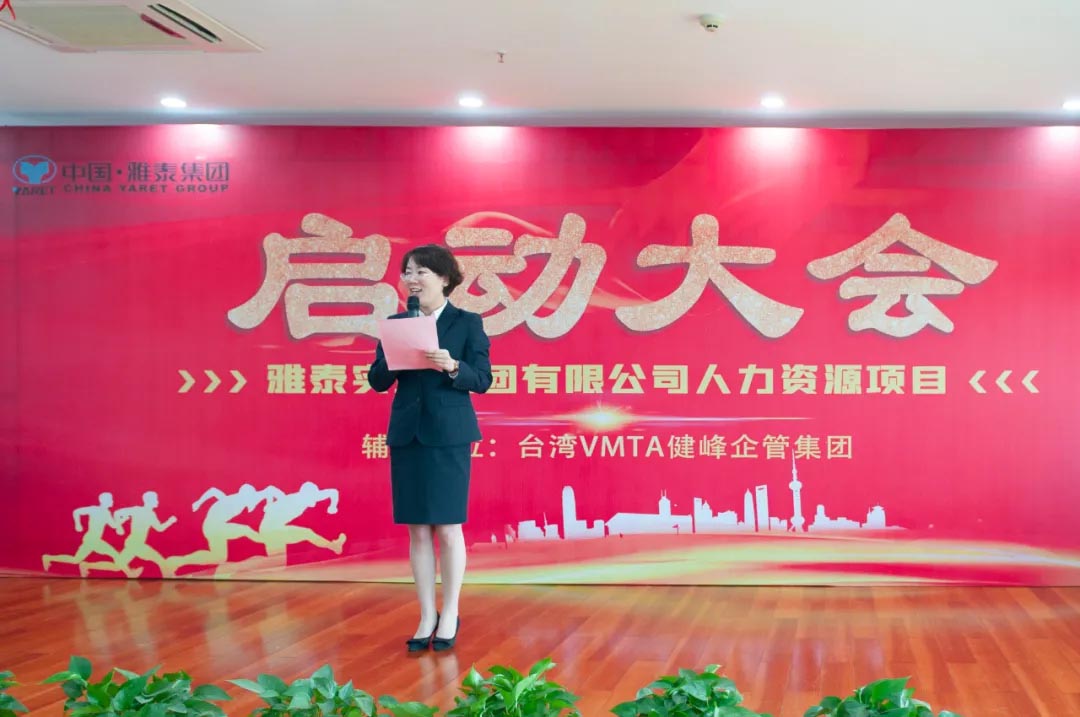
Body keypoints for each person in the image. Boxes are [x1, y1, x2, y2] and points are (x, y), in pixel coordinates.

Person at [368, 244, 492, 653]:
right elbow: (377, 381)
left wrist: (452, 365)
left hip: (449, 434)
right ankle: (426, 614)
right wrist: (395, 355)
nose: (412, 279)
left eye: (420, 271)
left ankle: (450, 611)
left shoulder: (467, 322)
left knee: (448, 527)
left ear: (444, 278)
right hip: (408, 434)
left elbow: (483, 378)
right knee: (418, 529)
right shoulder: (397, 323)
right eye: (407, 272)